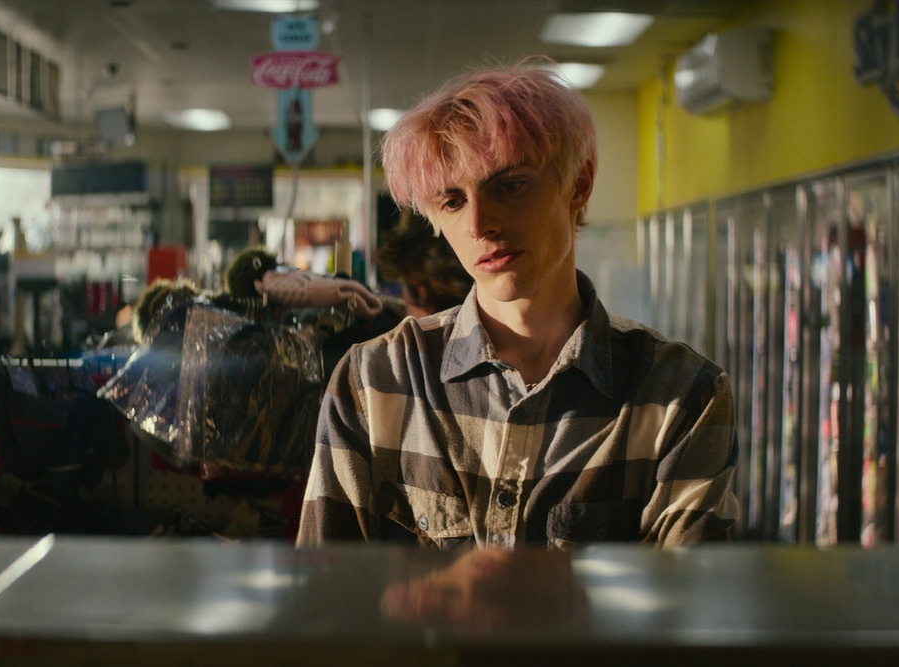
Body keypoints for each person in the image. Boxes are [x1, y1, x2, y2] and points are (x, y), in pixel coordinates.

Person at [296, 58, 738, 550]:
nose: (481, 223)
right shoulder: (375, 380)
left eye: (509, 186)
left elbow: (682, 613)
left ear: (579, 185)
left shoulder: (679, 393)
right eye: (452, 201)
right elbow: (325, 604)